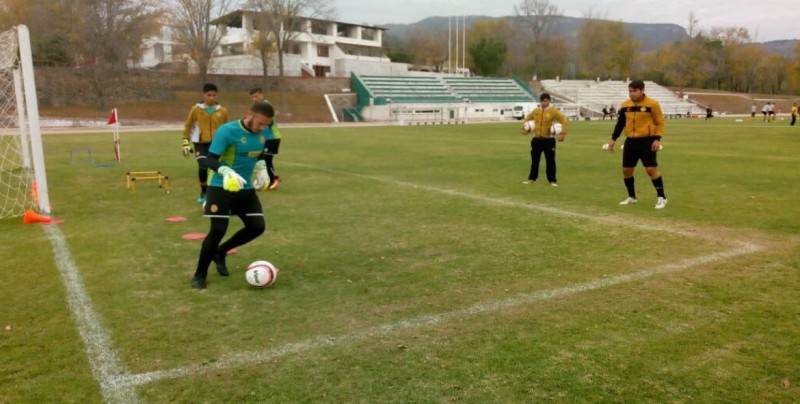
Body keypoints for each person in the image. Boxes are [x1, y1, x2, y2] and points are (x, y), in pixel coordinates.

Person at [191, 102, 276, 289]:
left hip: (244, 188)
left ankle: (220, 252)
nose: (262, 128)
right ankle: (199, 275)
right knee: (218, 230)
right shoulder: (227, 131)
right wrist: (225, 170)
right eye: (260, 123)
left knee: (257, 226)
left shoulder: (265, 132)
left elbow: (260, 154)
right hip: (220, 186)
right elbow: (209, 159)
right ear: (249, 114)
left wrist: (262, 167)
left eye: (266, 125)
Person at [603, 80, 668, 209]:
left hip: (647, 141)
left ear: (642, 90)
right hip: (630, 142)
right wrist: (613, 139)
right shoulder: (625, 105)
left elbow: (659, 122)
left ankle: (662, 197)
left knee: (651, 170)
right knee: (627, 170)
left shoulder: (652, 104)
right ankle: (631, 197)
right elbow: (620, 124)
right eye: (630, 91)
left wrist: (657, 139)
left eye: (634, 91)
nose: (631, 94)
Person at [182, 83, 229, 204]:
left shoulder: (222, 111)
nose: (212, 97)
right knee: (203, 165)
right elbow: (188, 125)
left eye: (214, 95)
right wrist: (185, 142)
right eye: (209, 95)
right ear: (204, 95)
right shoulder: (196, 109)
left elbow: (226, 128)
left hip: (216, 143)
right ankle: (204, 191)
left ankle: (215, 192)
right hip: (200, 143)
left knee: (215, 168)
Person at [520, 93, 568, 186]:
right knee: (534, 160)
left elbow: (564, 120)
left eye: (545, 101)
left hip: (549, 140)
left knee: (550, 161)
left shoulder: (553, 111)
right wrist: (523, 128)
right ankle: (532, 179)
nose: (543, 103)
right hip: (536, 139)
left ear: (549, 101)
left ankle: (552, 180)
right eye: (542, 101)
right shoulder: (536, 111)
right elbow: (527, 118)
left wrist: (563, 133)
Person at [249, 87, 282, 190]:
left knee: (266, 159)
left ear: (262, 95)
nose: (254, 99)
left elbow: (270, 121)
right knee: (261, 159)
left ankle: (274, 179)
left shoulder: (266, 106)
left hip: (272, 137)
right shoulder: (260, 107)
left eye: (256, 96)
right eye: (253, 97)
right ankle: (265, 180)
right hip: (265, 138)